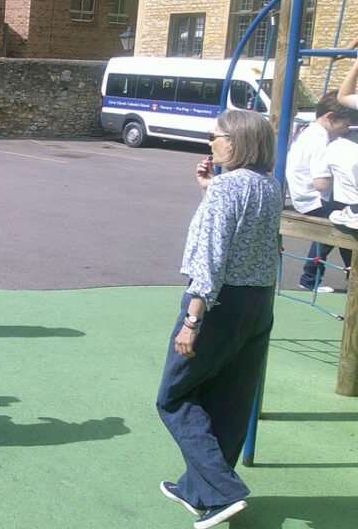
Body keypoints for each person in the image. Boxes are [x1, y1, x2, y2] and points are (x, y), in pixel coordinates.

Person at [156, 110, 280, 529]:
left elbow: (211, 255)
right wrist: (209, 189)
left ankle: (223, 491)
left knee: (174, 395)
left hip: (220, 303)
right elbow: (244, 235)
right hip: (258, 303)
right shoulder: (268, 186)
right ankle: (200, 489)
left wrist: (193, 319)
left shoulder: (230, 188)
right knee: (231, 397)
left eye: (217, 135)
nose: (211, 141)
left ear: (238, 141)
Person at [285, 90, 357, 292]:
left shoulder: (309, 133)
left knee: (347, 221)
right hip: (312, 199)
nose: (345, 130)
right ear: (330, 117)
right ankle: (314, 277)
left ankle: (320, 276)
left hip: (304, 196)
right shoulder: (319, 141)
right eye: (345, 124)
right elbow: (321, 184)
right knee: (350, 219)